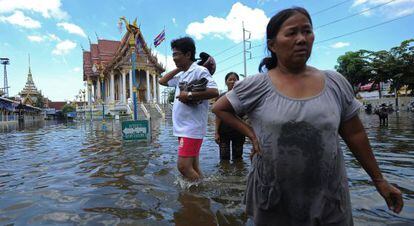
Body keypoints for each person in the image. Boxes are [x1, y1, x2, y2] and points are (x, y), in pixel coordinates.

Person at [212, 7, 403, 225]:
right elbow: (220, 108)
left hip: (329, 197)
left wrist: (379, 180)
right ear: (272, 45)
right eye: (292, 33)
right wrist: (251, 134)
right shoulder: (257, 85)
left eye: (307, 31)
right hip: (273, 196)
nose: (302, 39)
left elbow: (355, 134)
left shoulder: (334, 82)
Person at [159, 37, 218, 181]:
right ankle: (199, 197)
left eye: (176, 54)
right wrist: (179, 68)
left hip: (191, 128)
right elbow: (162, 81)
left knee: (183, 167)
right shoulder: (182, 75)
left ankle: (199, 194)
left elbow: (214, 92)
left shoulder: (199, 70)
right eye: (173, 54)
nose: (174, 58)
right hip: (182, 128)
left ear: (188, 54)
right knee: (194, 166)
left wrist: (190, 95)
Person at [215, 72, 246, 161]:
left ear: (238, 82)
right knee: (224, 157)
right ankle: (225, 174)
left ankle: (238, 174)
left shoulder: (243, 96)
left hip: (239, 131)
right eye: (230, 79)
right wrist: (216, 132)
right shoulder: (221, 97)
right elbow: (218, 116)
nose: (232, 82)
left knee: (238, 157)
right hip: (223, 132)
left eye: (234, 80)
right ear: (226, 82)